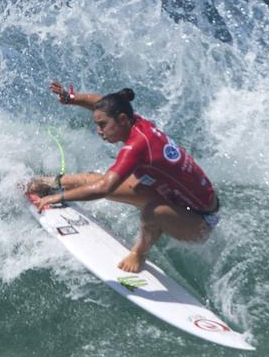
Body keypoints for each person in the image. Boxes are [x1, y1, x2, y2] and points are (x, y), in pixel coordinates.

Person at [27, 81, 219, 273]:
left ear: (122, 120)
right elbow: (101, 103)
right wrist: (71, 99)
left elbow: (104, 189)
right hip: (171, 195)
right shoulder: (134, 122)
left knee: (151, 212)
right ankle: (43, 183)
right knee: (93, 179)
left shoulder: (137, 146)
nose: (99, 131)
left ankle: (139, 254)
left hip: (200, 219)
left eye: (103, 125)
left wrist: (58, 199)